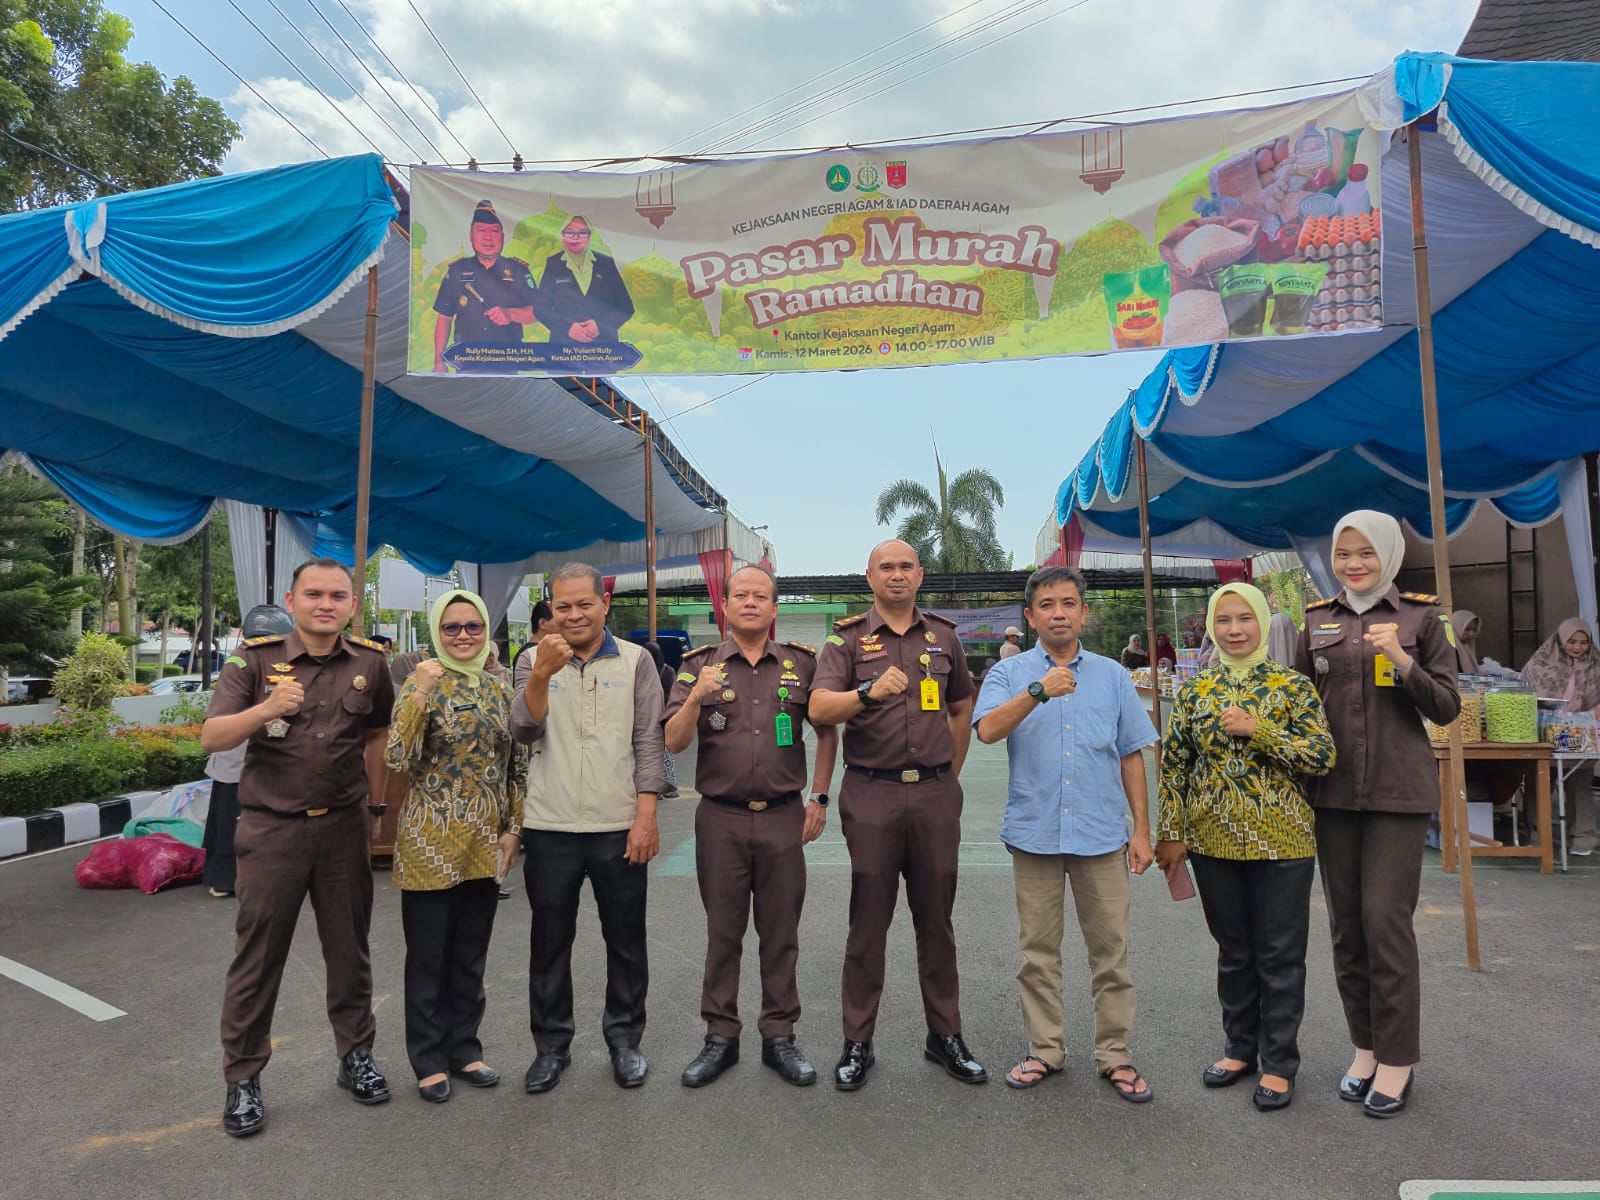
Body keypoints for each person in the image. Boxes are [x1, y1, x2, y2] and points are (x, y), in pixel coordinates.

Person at [201, 558, 397, 1138]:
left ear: (353, 605)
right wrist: (265, 709)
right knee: (257, 959)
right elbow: (212, 736)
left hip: (342, 829)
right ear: (292, 600)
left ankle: (356, 1057)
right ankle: (243, 1079)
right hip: (272, 831)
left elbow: (378, 734)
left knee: (350, 950)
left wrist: (376, 809)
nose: (325, 604)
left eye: (338, 595)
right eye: (314, 594)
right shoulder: (254, 661)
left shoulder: (370, 661)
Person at [1294, 510, 1459, 1119]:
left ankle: (1398, 1058)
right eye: (1344, 553)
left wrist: (1406, 663)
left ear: (1388, 555)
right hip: (1332, 794)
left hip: (1397, 793)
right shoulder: (1316, 623)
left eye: (1366, 553)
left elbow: (1446, 708)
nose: (1354, 564)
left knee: (1385, 921)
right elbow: (1299, 705)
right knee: (1346, 929)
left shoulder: (1420, 618)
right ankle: (1363, 1048)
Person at [973, 566, 1158, 1102]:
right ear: (1029, 616)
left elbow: (1130, 755)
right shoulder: (1008, 675)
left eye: (1069, 603)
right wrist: (1039, 690)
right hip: (1035, 834)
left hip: (1102, 834)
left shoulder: (1112, 675)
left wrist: (1142, 830)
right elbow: (986, 731)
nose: (1059, 612)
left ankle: (1115, 1055)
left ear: (1083, 612)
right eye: (1047, 604)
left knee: (1111, 953)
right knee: (1038, 952)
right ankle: (1045, 1050)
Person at [809, 540, 985, 1091]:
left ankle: (946, 1035)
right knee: (868, 924)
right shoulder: (845, 640)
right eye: (887, 566)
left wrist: (948, 773)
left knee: (937, 922)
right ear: (869, 577)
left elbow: (961, 707)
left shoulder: (945, 637)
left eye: (907, 566)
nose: (897, 575)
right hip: (872, 794)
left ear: (921, 574)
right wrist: (866, 691)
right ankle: (857, 1041)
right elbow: (819, 709)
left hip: (934, 794)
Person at [1154, 583, 1335, 1112]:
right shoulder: (1195, 689)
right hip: (1213, 842)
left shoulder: (1292, 687)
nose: (1235, 630)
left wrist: (1261, 730)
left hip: (1282, 840)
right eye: (1225, 620)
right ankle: (1239, 1048)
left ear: (1263, 623)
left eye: (1245, 619)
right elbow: (1175, 767)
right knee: (1234, 951)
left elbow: (1322, 756)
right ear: (1212, 627)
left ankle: (1279, 1062)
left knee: (1279, 955)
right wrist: (1173, 832)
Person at [664, 565, 839, 1088]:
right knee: (724, 932)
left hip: (786, 816)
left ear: (773, 608)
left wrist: (820, 797)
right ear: (725, 606)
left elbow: (827, 733)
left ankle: (779, 1036)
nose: (750, 603)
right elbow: (672, 743)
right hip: (721, 819)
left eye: (760, 596)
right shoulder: (697, 667)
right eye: (740, 594)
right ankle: (720, 1036)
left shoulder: (801, 665)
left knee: (780, 932)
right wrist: (696, 697)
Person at [511, 563, 667, 1094]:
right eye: (562, 606)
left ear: (604, 603)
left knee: (625, 940)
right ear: (549, 609)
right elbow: (522, 730)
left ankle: (625, 1041)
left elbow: (650, 741)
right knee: (549, 942)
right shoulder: (532, 659)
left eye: (584, 604)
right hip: (549, 826)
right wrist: (540, 674)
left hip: (617, 825)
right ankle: (551, 1047)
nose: (573, 615)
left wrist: (645, 815)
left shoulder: (636, 661)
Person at [386, 589, 526, 1103]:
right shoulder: (419, 682)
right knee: (428, 956)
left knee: (470, 953)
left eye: (472, 626)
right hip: (429, 841)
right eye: (451, 628)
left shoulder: (498, 688)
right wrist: (418, 693)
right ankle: (428, 1058)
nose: (463, 635)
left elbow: (516, 765)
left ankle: (465, 1047)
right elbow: (396, 758)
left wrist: (514, 828)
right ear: (436, 634)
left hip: (483, 842)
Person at [203, 604, 295, 898]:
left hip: (256, 757)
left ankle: (233, 876)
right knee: (233, 818)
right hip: (239, 753)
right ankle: (227, 878)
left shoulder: (275, 664)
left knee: (237, 818)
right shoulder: (240, 664)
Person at [1521, 618, 1600, 856]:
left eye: (1583, 642)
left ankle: (1583, 837)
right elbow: (1524, 692)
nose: (1577, 647)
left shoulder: (1596, 665)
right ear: (1560, 639)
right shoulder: (1540, 662)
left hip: (1581, 732)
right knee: (1540, 781)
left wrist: (1585, 718)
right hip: (1544, 730)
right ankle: (1537, 835)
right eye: (1572, 641)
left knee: (1580, 783)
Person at [432, 199, 537, 373]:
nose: (488, 237)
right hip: (467, 363)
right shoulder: (457, 271)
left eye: (494, 231)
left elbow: (537, 312)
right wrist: (438, 361)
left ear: (503, 236)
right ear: (471, 235)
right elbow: (444, 318)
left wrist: (510, 314)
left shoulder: (518, 270)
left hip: (508, 363)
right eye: (481, 230)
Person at [538, 215, 636, 350]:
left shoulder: (605, 263)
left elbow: (625, 307)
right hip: (563, 352)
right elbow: (541, 308)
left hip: (603, 349)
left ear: (590, 236)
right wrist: (567, 328)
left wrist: (601, 326)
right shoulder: (553, 264)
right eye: (569, 232)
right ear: (562, 235)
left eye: (582, 233)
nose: (575, 237)